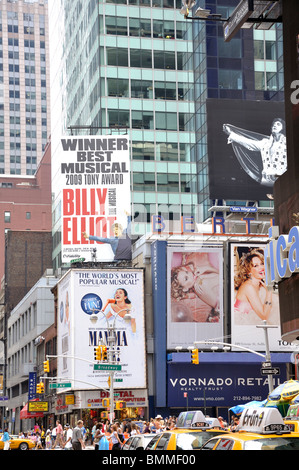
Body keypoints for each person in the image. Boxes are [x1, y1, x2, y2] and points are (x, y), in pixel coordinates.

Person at [223, 118, 287, 186]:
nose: (274, 125)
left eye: (278, 124)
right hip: (266, 181)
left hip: (283, 181)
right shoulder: (265, 143)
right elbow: (248, 142)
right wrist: (231, 134)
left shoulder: (287, 143)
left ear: (283, 128)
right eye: (273, 124)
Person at [171, 252, 220, 323]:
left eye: (187, 272)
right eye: (186, 278)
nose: (190, 274)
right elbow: (222, 278)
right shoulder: (200, 285)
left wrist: (206, 269)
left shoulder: (200, 280)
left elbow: (222, 276)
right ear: (185, 289)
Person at [234, 248, 273, 325]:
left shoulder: (260, 286)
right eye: (256, 266)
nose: (261, 268)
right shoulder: (249, 287)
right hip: (240, 328)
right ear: (249, 271)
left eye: (262, 263)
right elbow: (264, 316)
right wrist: (269, 292)